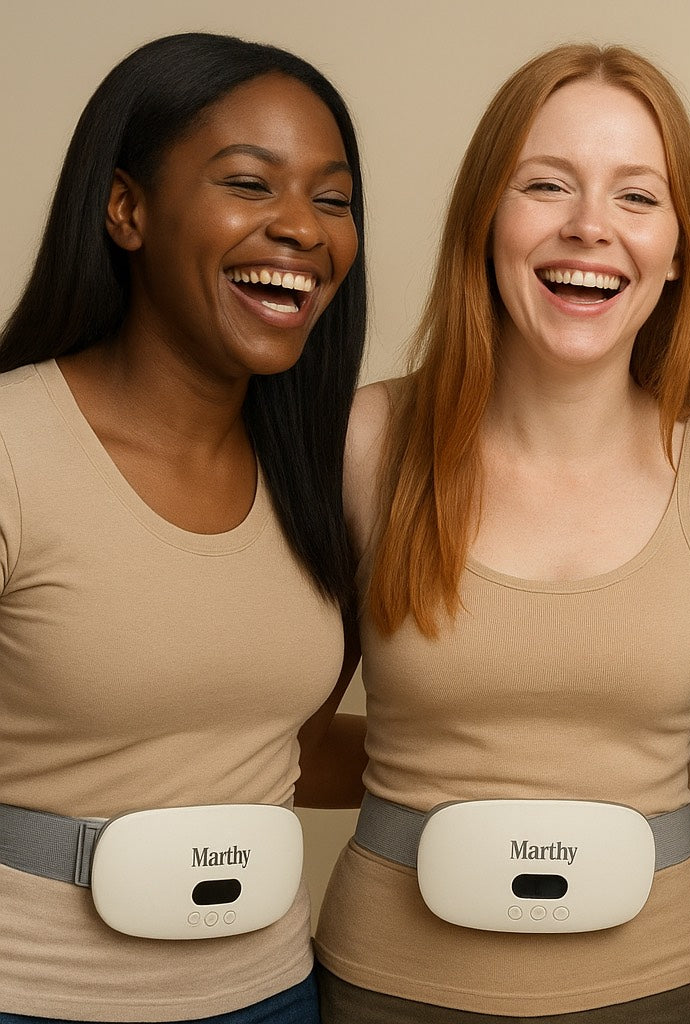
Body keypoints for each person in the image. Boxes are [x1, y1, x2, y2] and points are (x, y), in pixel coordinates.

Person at [308, 43, 690, 1022]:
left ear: (681, 248)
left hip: (655, 986)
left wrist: (591, 802)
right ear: (484, 220)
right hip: (387, 984)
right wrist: (441, 798)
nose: (589, 228)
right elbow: (270, 733)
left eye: (638, 198)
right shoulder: (363, 441)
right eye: (546, 184)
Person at [0, 32, 366, 1024]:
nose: (301, 228)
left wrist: (505, 755)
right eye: (251, 183)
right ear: (127, 209)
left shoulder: (318, 474)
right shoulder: (13, 449)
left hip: (271, 993)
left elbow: (276, 747)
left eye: (332, 199)